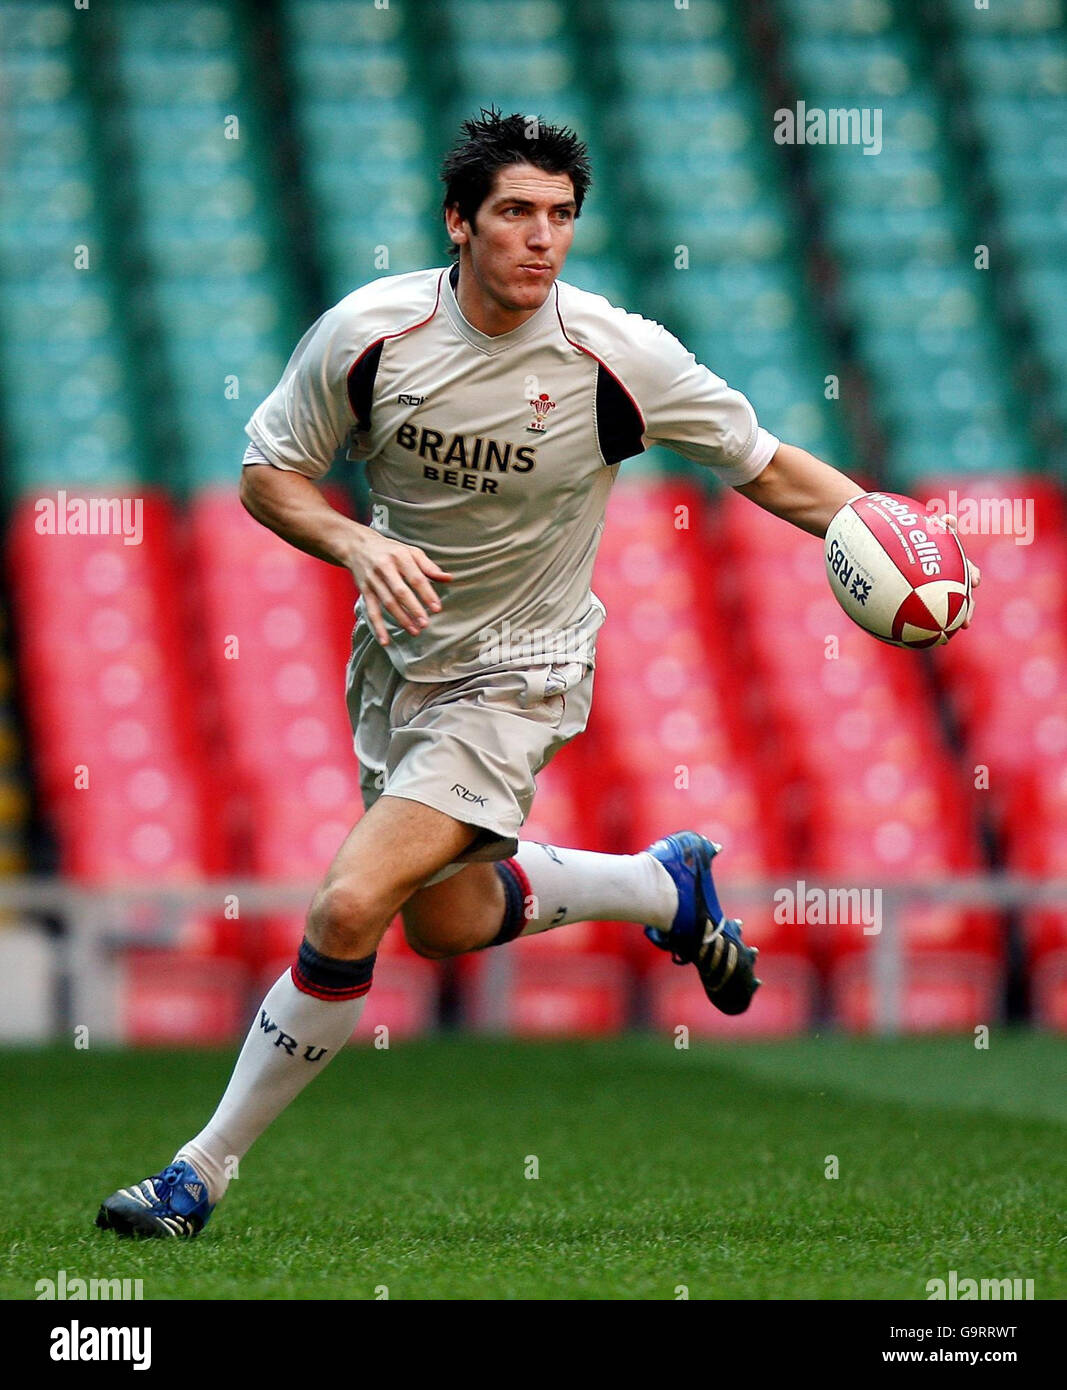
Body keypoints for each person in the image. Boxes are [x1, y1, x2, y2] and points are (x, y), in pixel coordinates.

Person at [95, 109, 978, 1238]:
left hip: (523, 672)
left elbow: (761, 466)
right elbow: (269, 474)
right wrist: (356, 541)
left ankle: (196, 1173)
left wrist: (887, 535)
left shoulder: (617, 355)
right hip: (401, 668)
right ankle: (663, 887)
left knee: (350, 902)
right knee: (447, 923)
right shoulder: (367, 335)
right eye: (514, 212)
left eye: (561, 216)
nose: (541, 239)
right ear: (457, 222)